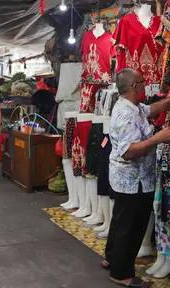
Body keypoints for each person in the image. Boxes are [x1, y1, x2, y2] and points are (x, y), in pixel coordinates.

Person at [102, 68, 170, 287]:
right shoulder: (125, 115)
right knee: (131, 227)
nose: (145, 84)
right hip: (133, 180)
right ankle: (121, 273)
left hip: (130, 180)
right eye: (142, 81)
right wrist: (158, 138)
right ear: (134, 87)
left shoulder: (131, 106)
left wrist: (168, 100)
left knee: (121, 221)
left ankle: (112, 258)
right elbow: (129, 151)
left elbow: (149, 110)